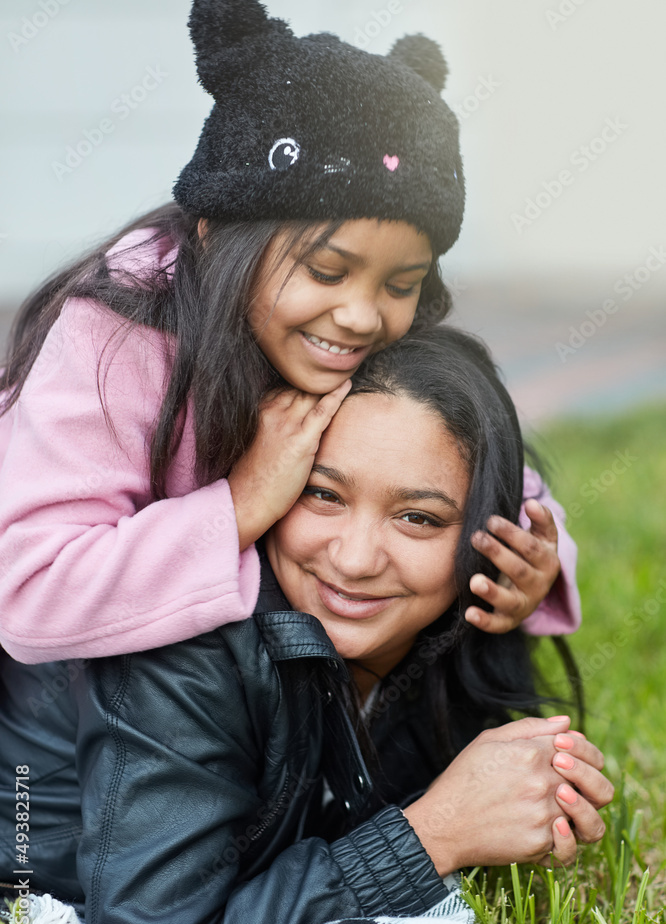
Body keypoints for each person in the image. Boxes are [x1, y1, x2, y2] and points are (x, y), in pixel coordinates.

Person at [0, 328, 612, 924]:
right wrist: (434, 833)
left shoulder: (469, 610)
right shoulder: (186, 643)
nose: (354, 559)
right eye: (322, 493)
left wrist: (521, 792)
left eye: (418, 518)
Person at [0, 0, 579, 668]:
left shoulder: (366, 337)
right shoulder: (118, 337)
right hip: (47, 725)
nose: (363, 316)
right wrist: (241, 504)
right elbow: (31, 593)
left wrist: (535, 564)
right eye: (327, 270)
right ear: (219, 242)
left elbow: (497, 482)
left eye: (400, 283)